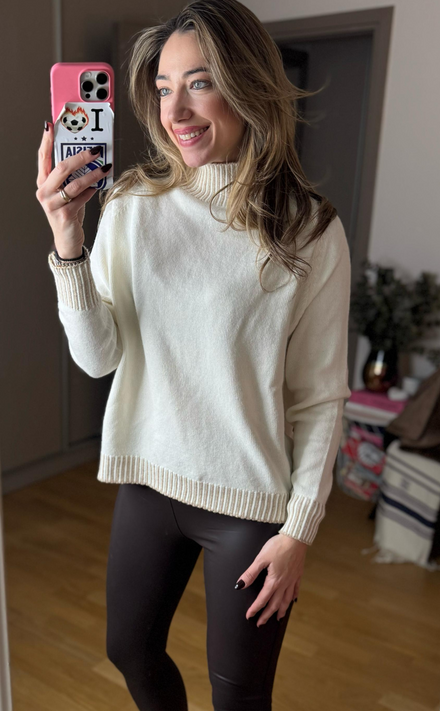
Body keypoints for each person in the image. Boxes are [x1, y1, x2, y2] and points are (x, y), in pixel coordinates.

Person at [35, 1, 352, 709]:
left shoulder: (308, 229)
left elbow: (319, 396)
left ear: (247, 85)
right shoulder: (130, 203)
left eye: (200, 83)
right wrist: (68, 240)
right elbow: (97, 358)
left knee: (239, 695)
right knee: (129, 649)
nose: (175, 110)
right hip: (148, 482)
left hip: (248, 504)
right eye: (163, 87)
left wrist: (298, 531)